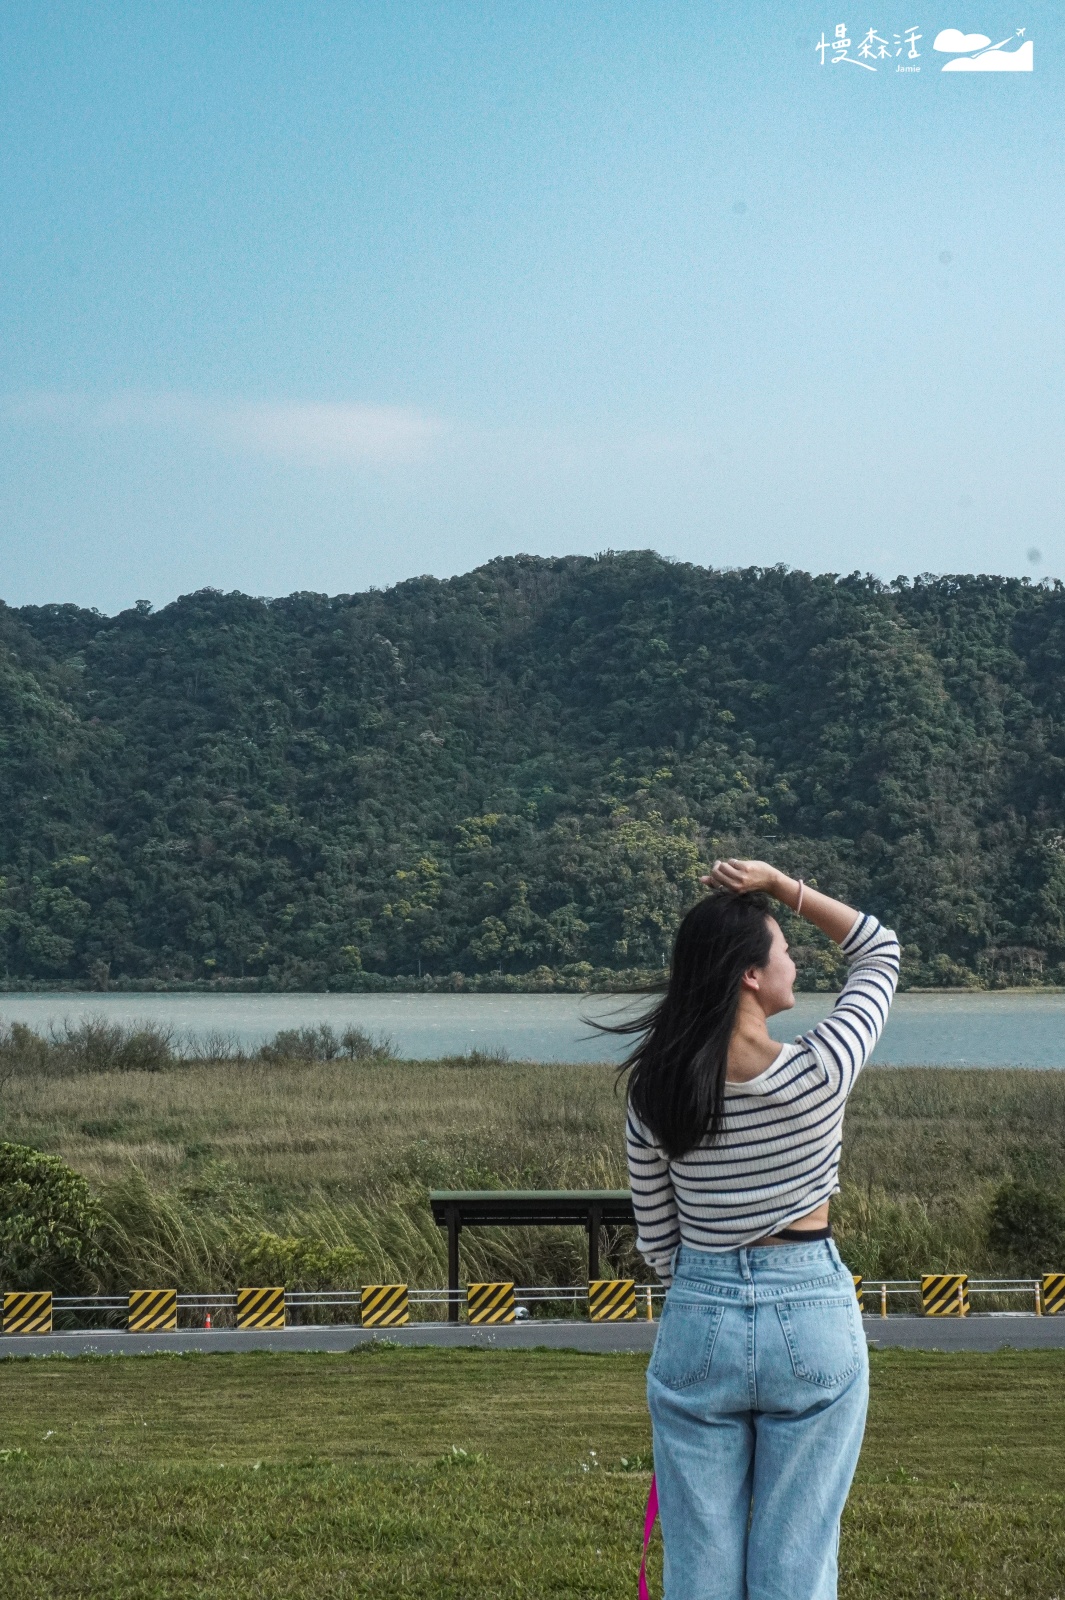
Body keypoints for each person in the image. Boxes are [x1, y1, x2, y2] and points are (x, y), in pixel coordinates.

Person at [622, 858, 899, 1600]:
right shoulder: (819, 1068)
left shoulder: (653, 1090)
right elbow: (878, 949)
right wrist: (783, 887)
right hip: (809, 1311)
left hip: (697, 1315)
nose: (794, 959)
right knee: (796, 1563)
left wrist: (713, 1274)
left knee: (699, 1568)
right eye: (782, 949)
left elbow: (656, 1242)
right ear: (750, 975)